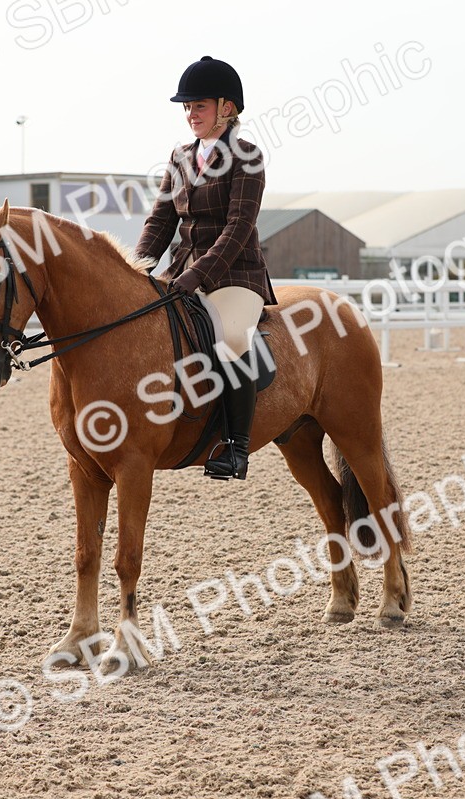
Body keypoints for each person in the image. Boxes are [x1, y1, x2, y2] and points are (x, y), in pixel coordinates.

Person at [135, 55, 277, 482]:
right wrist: (137, 269)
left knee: (231, 338)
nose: (190, 114)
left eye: (199, 106)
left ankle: (236, 447)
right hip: (182, 272)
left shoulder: (248, 158)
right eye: (187, 107)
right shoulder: (179, 157)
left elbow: (238, 228)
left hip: (235, 275)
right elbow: (160, 221)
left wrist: (197, 276)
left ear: (226, 108)